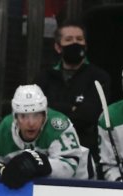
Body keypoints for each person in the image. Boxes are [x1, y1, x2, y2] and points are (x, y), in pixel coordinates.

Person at [34, 22, 111, 157]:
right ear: (58, 47)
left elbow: (90, 116)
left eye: (79, 39)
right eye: (69, 40)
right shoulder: (44, 77)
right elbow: (35, 114)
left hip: (85, 152)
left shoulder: (99, 77)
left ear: (85, 45)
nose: (75, 43)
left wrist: (53, 108)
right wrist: (72, 108)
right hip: (46, 150)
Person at [0, 84, 90, 189]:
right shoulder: (3, 131)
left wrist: (40, 164)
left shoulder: (58, 125)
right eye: (23, 116)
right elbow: (0, 164)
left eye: (36, 115)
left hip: (79, 184)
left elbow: (69, 167)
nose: (31, 123)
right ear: (15, 117)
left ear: (45, 115)